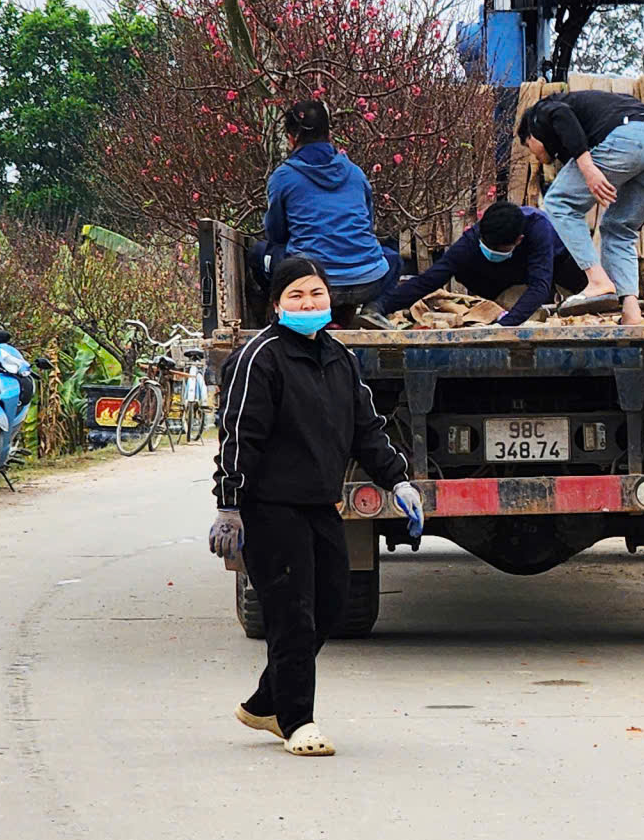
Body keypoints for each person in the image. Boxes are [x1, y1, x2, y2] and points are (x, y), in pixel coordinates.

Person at [208, 257, 425, 757]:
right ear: (278, 305)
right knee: (291, 615)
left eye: (317, 294)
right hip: (267, 509)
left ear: (331, 299)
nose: (309, 304)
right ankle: (297, 720)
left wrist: (398, 482)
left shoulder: (339, 359)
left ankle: (266, 700)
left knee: (329, 605)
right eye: (297, 296)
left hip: (321, 506)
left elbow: (367, 430)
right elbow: (240, 435)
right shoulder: (259, 358)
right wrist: (230, 506)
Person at [517, 88, 644, 325]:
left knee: (558, 202)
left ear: (531, 136)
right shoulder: (598, 107)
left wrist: (588, 168)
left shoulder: (539, 114)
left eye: (530, 148)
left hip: (628, 138)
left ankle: (598, 281)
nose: (538, 158)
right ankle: (632, 313)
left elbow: (562, 115)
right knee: (619, 228)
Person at [262, 100, 393, 323]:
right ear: (329, 134)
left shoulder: (283, 177)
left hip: (311, 282)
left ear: (291, 138)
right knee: (391, 258)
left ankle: (282, 316)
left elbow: (276, 233)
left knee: (261, 255)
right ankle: (372, 308)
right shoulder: (355, 173)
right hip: (367, 282)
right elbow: (368, 225)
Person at [374, 201, 586, 327]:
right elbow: (430, 279)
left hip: (556, 267)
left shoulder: (539, 228)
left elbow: (540, 285)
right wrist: (381, 306)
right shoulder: (474, 238)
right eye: (487, 245)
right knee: (461, 266)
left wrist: (504, 326)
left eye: (498, 249)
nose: (491, 251)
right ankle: (501, 306)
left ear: (518, 240)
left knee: (567, 281)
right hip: (504, 280)